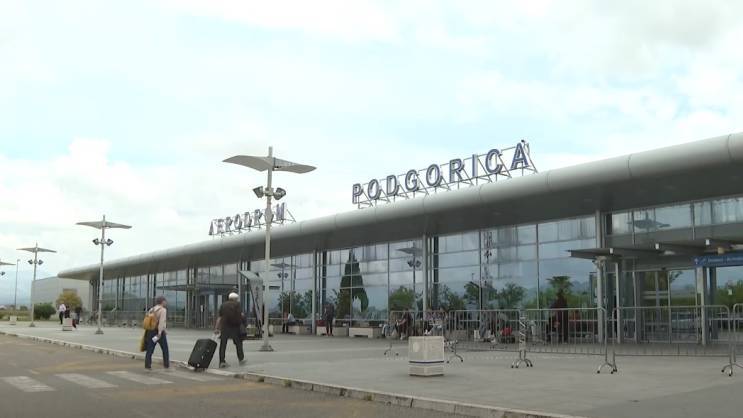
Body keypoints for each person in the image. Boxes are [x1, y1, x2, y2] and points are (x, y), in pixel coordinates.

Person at [215, 293, 246, 368]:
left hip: (225, 327)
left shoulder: (223, 305)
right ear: (235, 299)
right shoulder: (237, 304)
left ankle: (222, 362)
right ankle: (241, 359)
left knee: (223, 344)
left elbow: (220, 318)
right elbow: (241, 315)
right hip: (235, 327)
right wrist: (244, 323)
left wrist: (217, 328)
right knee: (238, 344)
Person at [144, 296, 169, 371]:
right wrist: (160, 332)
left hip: (150, 331)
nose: (166, 302)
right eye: (165, 301)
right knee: (165, 349)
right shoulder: (163, 310)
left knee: (150, 349)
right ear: (162, 301)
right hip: (158, 332)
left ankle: (147, 365)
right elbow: (161, 322)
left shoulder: (152, 309)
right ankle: (166, 365)